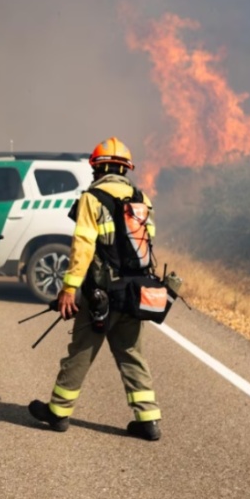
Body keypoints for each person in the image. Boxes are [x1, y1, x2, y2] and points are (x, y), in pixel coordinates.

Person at [27, 137, 163, 441]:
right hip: (134, 293)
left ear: (98, 169)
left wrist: (69, 288)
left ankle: (58, 412)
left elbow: (83, 247)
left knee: (81, 352)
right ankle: (148, 420)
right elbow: (147, 244)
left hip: (102, 294)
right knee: (131, 354)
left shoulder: (92, 198)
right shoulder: (142, 198)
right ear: (125, 169)